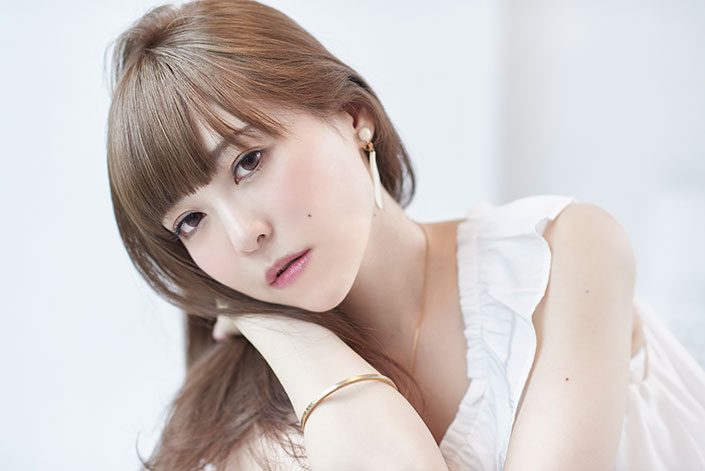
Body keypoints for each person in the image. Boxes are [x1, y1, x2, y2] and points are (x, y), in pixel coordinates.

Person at [105, 0, 705, 469]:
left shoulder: (559, 254)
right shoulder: (244, 419)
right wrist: (279, 333)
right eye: (191, 221)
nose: (243, 236)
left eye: (248, 161)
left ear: (354, 117)